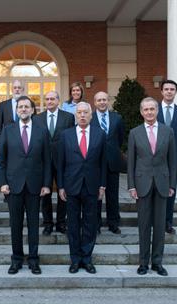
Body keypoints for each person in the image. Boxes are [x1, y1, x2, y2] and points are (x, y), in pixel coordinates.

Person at [0, 96, 51, 275]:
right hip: (13, 186)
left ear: (32, 110)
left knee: (34, 224)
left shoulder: (42, 131)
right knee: (16, 225)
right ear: (16, 110)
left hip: (35, 186)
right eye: (20, 107)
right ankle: (16, 259)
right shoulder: (7, 130)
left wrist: (46, 184)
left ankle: (34, 260)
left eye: (27, 107)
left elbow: (47, 160)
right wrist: (2, 182)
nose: (23, 110)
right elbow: (2, 160)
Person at [127, 97, 177, 277]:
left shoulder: (168, 131)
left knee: (159, 224)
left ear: (157, 111)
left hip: (163, 184)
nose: (149, 112)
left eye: (152, 109)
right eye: (146, 109)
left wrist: (172, 184)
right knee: (144, 225)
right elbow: (131, 162)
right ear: (141, 112)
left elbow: (173, 161)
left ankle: (157, 262)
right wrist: (131, 186)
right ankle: (143, 263)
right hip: (142, 184)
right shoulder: (134, 133)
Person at [57, 102, 106, 274]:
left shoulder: (100, 134)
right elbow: (60, 163)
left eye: (86, 112)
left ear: (91, 115)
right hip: (71, 186)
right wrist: (61, 186)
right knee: (73, 223)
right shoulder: (66, 135)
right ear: (75, 115)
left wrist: (102, 185)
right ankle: (75, 259)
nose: (83, 115)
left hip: (92, 186)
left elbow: (103, 162)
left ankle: (87, 258)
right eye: (79, 113)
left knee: (90, 224)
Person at [34, 91, 74, 235]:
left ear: (58, 100)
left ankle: (61, 223)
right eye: (47, 99)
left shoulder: (68, 117)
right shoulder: (37, 119)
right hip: (44, 163)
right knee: (45, 193)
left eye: (52, 99)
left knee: (63, 192)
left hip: (63, 161)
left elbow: (71, 139)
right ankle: (48, 223)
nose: (49, 101)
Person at [157, 80, 177, 235]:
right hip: (155, 158)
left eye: (172, 89)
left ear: (176, 92)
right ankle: (154, 221)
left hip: (173, 158)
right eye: (166, 89)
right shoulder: (153, 109)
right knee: (155, 189)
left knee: (171, 190)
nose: (169, 91)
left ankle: (167, 222)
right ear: (161, 91)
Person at [91, 91, 125, 234]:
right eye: (99, 100)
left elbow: (120, 138)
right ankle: (96, 224)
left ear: (108, 101)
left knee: (112, 195)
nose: (102, 102)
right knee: (95, 195)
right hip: (95, 163)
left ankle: (113, 223)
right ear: (95, 102)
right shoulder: (90, 117)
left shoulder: (117, 118)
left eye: (104, 99)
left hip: (112, 162)